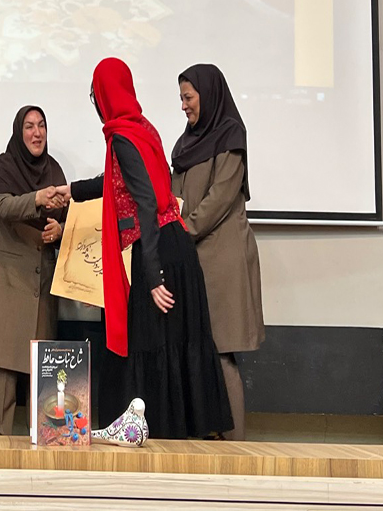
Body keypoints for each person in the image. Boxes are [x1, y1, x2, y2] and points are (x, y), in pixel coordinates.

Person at [57, 57, 232, 438]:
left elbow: (147, 203)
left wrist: (153, 276)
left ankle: (159, 435)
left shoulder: (121, 137)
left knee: (151, 344)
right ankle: (183, 435)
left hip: (157, 250)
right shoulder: (140, 128)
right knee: (174, 343)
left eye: (96, 96)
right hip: (175, 244)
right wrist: (72, 191)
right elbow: (121, 181)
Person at [171, 63, 264, 440]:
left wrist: (180, 231)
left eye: (188, 97)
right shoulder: (185, 143)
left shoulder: (230, 136)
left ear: (207, 95)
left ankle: (234, 446)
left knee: (222, 352)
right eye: (181, 98)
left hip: (223, 261)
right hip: (192, 258)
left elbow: (220, 198)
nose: (183, 105)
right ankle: (208, 439)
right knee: (198, 353)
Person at [0, 106, 68, 435]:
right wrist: (39, 198)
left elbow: (69, 216)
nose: (37, 133)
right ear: (19, 131)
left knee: (42, 371)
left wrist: (60, 230)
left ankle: (41, 448)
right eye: (29, 126)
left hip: (42, 283)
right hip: (10, 280)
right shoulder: (4, 165)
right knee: (4, 369)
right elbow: (4, 206)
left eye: (42, 125)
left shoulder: (54, 169)